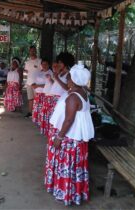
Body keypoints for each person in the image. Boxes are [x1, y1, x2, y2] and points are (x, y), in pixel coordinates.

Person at [45, 64, 94, 206]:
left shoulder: (73, 97)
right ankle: (74, 193)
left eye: (69, 78)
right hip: (77, 138)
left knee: (66, 165)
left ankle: (65, 193)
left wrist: (59, 137)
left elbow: (68, 120)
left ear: (75, 80)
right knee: (74, 167)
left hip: (69, 138)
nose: (67, 80)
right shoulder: (82, 92)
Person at [31, 60, 53, 126]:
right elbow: (34, 81)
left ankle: (43, 123)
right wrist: (33, 85)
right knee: (37, 109)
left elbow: (49, 84)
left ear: (49, 65)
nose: (44, 65)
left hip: (45, 94)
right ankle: (38, 122)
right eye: (43, 64)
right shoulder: (39, 72)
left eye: (46, 64)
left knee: (43, 110)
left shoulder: (50, 73)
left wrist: (37, 85)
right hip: (38, 93)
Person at [24, 46, 42, 118]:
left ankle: (37, 113)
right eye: (31, 51)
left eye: (34, 50)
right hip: (29, 83)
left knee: (37, 99)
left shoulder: (39, 61)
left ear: (36, 51)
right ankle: (30, 112)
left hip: (37, 83)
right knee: (30, 98)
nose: (32, 52)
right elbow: (27, 72)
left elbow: (42, 71)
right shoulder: (27, 62)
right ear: (29, 51)